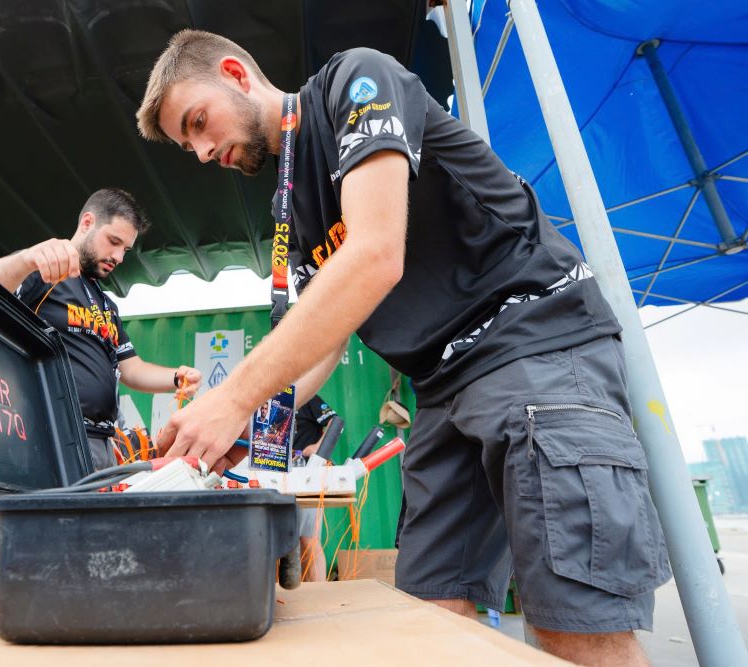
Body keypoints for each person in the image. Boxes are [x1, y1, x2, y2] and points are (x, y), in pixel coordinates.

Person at [136, 31, 670, 665]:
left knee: (575, 628)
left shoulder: (353, 82)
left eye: (198, 122)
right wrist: (247, 427)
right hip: (441, 392)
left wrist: (229, 399)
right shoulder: (294, 203)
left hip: (531, 344)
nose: (201, 152)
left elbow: (374, 254)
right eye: (187, 145)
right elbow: (324, 337)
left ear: (235, 73)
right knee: (429, 622)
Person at [0, 188, 201, 469]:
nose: (119, 257)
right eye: (114, 241)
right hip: (55, 434)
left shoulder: (107, 305)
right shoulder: (45, 270)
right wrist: (25, 259)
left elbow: (132, 369)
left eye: (125, 249)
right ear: (87, 223)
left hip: (103, 442)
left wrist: (176, 377)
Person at [292, 394, 337, 582]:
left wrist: (319, 447)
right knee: (282, 541)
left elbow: (335, 422)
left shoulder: (306, 396)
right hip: (276, 475)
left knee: (308, 538)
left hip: (308, 473)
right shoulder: (267, 401)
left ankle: (319, 592)